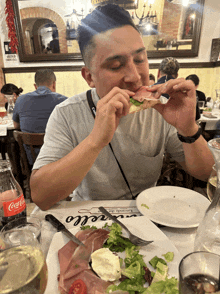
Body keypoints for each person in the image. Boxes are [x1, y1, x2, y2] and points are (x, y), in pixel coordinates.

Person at [30, 4, 214, 211]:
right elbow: (40, 196)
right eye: (116, 66)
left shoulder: (160, 109)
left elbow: (208, 173)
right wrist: (95, 140)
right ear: (89, 77)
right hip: (90, 215)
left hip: (149, 212)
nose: (135, 76)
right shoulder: (66, 114)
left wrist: (188, 128)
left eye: (140, 59)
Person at [13, 69, 67, 166]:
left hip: (32, 162)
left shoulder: (20, 100)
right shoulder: (64, 101)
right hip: (58, 162)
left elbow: (16, 126)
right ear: (54, 84)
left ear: (35, 86)